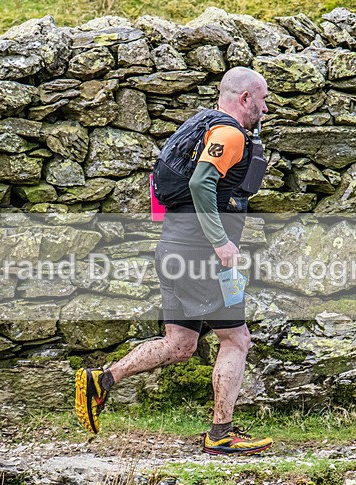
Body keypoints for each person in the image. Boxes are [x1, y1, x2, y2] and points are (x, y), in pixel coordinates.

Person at [74, 66, 272, 455]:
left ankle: (102, 380)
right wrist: (220, 243)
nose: (265, 109)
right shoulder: (229, 133)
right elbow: (200, 183)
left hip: (173, 249)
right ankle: (221, 434)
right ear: (245, 97)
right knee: (237, 339)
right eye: (263, 100)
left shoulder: (200, 127)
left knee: (180, 344)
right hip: (201, 256)